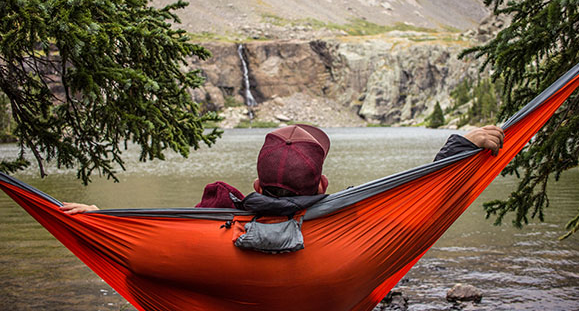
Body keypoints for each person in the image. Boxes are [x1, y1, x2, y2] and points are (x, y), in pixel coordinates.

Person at [61, 124, 504, 214]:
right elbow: (422, 200)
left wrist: (98, 218)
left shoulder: (219, 220)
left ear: (255, 184)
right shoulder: (348, 218)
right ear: (323, 182)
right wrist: (459, 146)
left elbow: (151, 237)